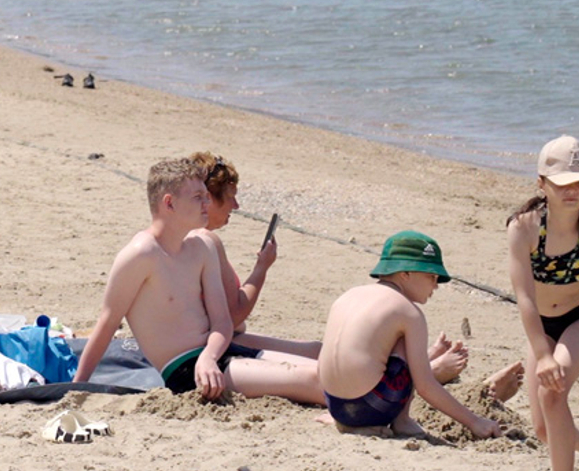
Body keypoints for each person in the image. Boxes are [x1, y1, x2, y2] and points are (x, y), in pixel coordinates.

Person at [186, 153, 499, 391]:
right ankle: (425, 375)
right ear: (208, 198)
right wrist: (261, 268)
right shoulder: (204, 240)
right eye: (230, 196)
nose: (237, 205)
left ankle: (419, 365)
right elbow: (235, 313)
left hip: (228, 339)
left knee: (318, 351)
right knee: (325, 371)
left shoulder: (194, 239)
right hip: (222, 344)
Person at [72, 158, 323, 403]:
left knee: (326, 369)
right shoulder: (140, 255)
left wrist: (210, 356)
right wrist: (76, 387)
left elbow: (222, 322)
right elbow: (107, 323)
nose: (207, 203)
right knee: (314, 379)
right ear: (169, 203)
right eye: (198, 197)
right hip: (186, 368)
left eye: (206, 196)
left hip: (217, 353)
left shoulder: (202, 247)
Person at [319, 233, 501, 438]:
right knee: (405, 343)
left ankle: (352, 422)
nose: (435, 285)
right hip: (371, 407)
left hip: (335, 406)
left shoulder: (349, 295)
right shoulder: (408, 312)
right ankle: (402, 420)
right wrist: (475, 422)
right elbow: (425, 386)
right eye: (431, 277)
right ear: (405, 274)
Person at [509, 135, 579, 471]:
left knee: (552, 393)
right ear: (542, 183)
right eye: (563, 183)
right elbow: (524, 295)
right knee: (543, 429)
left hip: (577, 319)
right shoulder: (524, 227)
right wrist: (543, 354)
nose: (572, 191)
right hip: (541, 323)